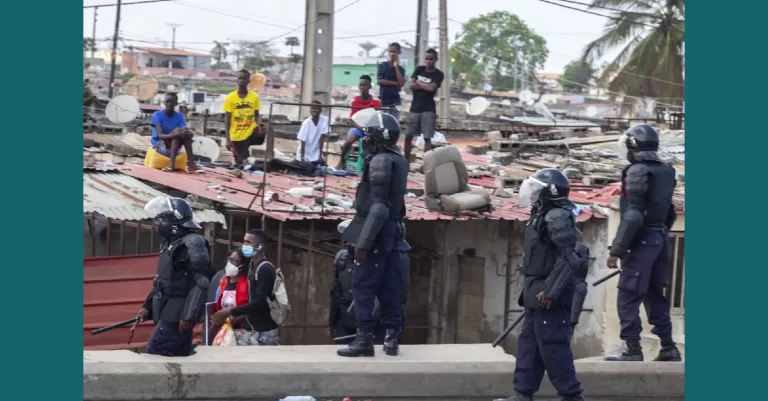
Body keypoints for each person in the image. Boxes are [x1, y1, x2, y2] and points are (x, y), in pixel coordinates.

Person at [336, 110, 410, 357]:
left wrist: (363, 244)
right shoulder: (399, 159)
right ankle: (391, 338)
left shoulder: (379, 161)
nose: (364, 138)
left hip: (377, 232)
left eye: (368, 133)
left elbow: (378, 207)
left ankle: (364, 339)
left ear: (377, 137)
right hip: (393, 232)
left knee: (363, 286)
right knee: (390, 288)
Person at [605, 124, 681, 362]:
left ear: (632, 147)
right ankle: (668, 347)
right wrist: (658, 237)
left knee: (628, 294)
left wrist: (616, 250)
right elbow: (670, 212)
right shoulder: (667, 170)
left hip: (643, 241)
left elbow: (634, 215)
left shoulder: (636, 170)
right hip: (660, 239)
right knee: (654, 293)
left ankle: (632, 349)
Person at [508, 168, 585, 401]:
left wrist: (551, 291)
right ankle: (523, 393)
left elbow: (569, 258)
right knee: (529, 346)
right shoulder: (542, 214)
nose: (532, 194)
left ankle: (572, 396)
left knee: (553, 347)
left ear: (548, 192)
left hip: (549, 293)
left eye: (537, 189)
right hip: (535, 292)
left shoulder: (557, 216)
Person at [136, 196, 211, 357]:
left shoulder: (192, 243)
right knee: (178, 356)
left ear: (173, 222)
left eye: (161, 220)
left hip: (178, 313)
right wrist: (146, 307)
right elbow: (162, 281)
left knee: (155, 351)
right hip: (167, 309)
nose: (158, 224)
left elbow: (201, 282)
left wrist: (189, 315)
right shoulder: (169, 244)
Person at [331, 220, 410, 345]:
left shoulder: (387, 260)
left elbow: (397, 294)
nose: (350, 242)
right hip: (346, 320)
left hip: (377, 323)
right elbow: (337, 292)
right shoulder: (343, 258)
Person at [210, 229, 280, 346]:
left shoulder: (265, 268)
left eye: (248, 242)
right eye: (244, 242)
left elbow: (259, 301)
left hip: (263, 331)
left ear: (260, 246)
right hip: (251, 330)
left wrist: (231, 310)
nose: (245, 245)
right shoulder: (254, 267)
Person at [405, 48, 445, 162]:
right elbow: (411, 85)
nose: (428, 61)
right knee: (408, 136)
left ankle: (426, 166)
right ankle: (406, 164)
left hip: (428, 109)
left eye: (431, 59)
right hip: (415, 108)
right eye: (426, 59)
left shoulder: (438, 74)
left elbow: (432, 88)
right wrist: (424, 86)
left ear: (436, 59)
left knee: (427, 138)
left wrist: (417, 82)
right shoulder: (419, 69)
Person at [337, 75, 382, 170]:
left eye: (365, 85)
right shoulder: (354, 100)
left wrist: (369, 129)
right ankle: (341, 160)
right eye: (360, 85)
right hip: (357, 127)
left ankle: (373, 164)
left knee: (379, 143)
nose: (362, 87)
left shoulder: (376, 101)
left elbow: (378, 118)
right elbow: (351, 120)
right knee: (349, 140)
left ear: (370, 86)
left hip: (371, 128)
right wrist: (362, 129)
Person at [224, 70, 265, 167]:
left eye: (244, 78)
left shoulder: (254, 96)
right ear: (237, 80)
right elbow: (227, 119)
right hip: (237, 134)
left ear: (248, 81)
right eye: (240, 78)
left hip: (251, 131)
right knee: (241, 162)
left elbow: (256, 114)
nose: (242, 80)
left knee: (264, 129)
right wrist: (228, 139)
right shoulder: (230, 98)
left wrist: (259, 125)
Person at [151, 92, 199, 172]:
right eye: (167, 101)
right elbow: (160, 136)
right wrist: (177, 135)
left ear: (176, 103)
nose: (169, 104)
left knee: (183, 133)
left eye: (172, 102)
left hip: (174, 146)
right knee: (177, 132)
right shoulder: (157, 115)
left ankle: (189, 164)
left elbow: (183, 131)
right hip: (160, 145)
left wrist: (189, 134)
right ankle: (176, 165)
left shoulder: (179, 115)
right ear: (164, 103)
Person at [376, 42, 406, 122]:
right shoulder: (382, 65)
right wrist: (395, 83)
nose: (392, 54)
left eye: (394, 52)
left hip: (395, 102)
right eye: (390, 51)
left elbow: (401, 84)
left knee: (394, 126)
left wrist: (396, 67)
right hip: (384, 102)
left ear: (398, 53)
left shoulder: (401, 69)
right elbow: (379, 81)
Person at [295, 100, 330, 165]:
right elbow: (302, 141)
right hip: (305, 152)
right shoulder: (306, 123)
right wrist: (302, 158)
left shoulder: (325, 120)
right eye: (312, 108)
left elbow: (322, 139)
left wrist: (320, 156)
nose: (314, 110)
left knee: (321, 167)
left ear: (320, 110)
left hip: (316, 151)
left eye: (316, 108)